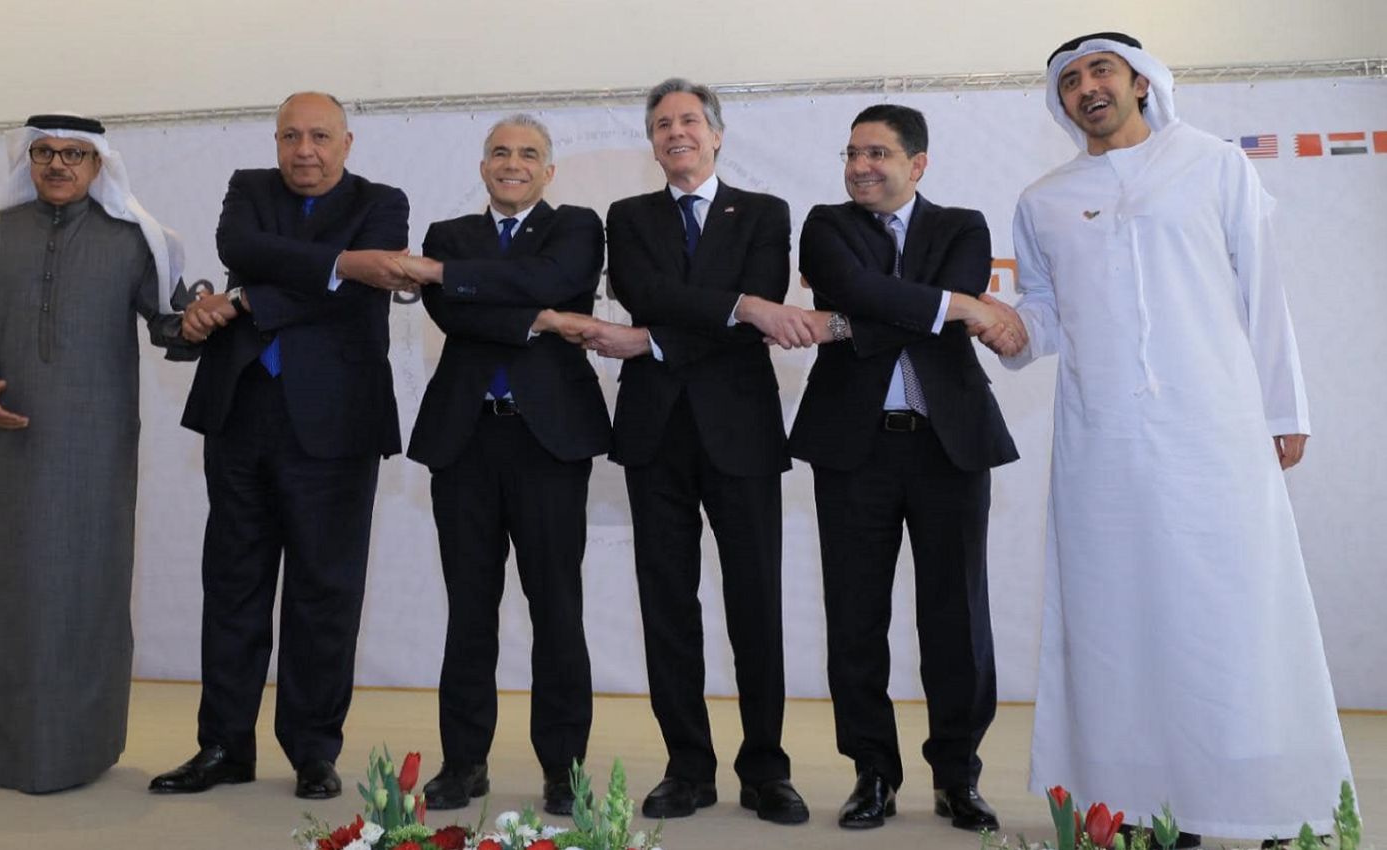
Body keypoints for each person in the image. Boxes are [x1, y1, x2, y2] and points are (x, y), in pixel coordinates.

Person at [984, 32, 1353, 843]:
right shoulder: (1044, 199)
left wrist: (1283, 410)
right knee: (1120, 626)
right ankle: (1149, 809)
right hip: (1103, 446)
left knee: (1235, 618)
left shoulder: (1214, 164)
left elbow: (1261, 287)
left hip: (1217, 432)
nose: (1087, 87)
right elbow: (1045, 315)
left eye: (1102, 70)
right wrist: (1003, 326)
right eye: (1070, 80)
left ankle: (1268, 805)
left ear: (1142, 83)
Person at [149, 91, 411, 800]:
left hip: (336, 424)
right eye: (291, 136)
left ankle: (313, 752)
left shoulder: (382, 203)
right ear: (275, 142)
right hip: (241, 413)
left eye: (320, 137)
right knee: (232, 586)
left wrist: (246, 298)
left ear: (347, 143)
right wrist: (339, 263)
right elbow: (243, 250)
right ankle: (223, 747)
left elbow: (353, 291)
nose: (305, 150)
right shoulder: (249, 190)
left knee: (324, 592)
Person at [580, 77, 815, 826]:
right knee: (667, 604)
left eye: (688, 120)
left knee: (756, 602)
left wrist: (654, 341)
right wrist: (739, 306)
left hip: (741, 432)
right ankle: (687, 766)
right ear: (652, 142)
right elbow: (646, 292)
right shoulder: (628, 216)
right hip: (655, 434)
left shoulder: (765, 211)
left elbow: (757, 305)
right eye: (661, 124)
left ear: (716, 134)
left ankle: (766, 768)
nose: (675, 132)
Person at [0, 112, 193, 793]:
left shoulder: (131, 240)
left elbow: (169, 325)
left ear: (98, 165)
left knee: (86, 590)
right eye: (45, 152)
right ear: (29, 161)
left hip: (95, 450)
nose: (57, 164)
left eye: (73, 154)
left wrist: (196, 321)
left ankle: (81, 750)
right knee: (10, 590)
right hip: (10, 446)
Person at [790, 104, 1018, 832]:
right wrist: (955, 308)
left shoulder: (963, 226)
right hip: (853, 447)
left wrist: (846, 324)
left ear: (917, 164)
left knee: (958, 616)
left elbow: (868, 305)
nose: (860, 167)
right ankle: (873, 774)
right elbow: (862, 291)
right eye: (852, 153)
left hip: (948, 444)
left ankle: (958, 776)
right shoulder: (826, 225)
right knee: (856, 616)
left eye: (878, 154)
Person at [382, 115, 608, 815]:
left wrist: (459, 281)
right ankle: (464, 763)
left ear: (549, 170)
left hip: (549, 443)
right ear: (483, 167)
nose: (514, 163)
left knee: (557, 607)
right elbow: (456, 315)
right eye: (500, 153)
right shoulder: (450, 233)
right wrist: (542, 317)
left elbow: (556, 277)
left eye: (529, 154)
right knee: (470, 608)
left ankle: (563, 768)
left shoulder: (577, 226)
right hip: (466, 441)